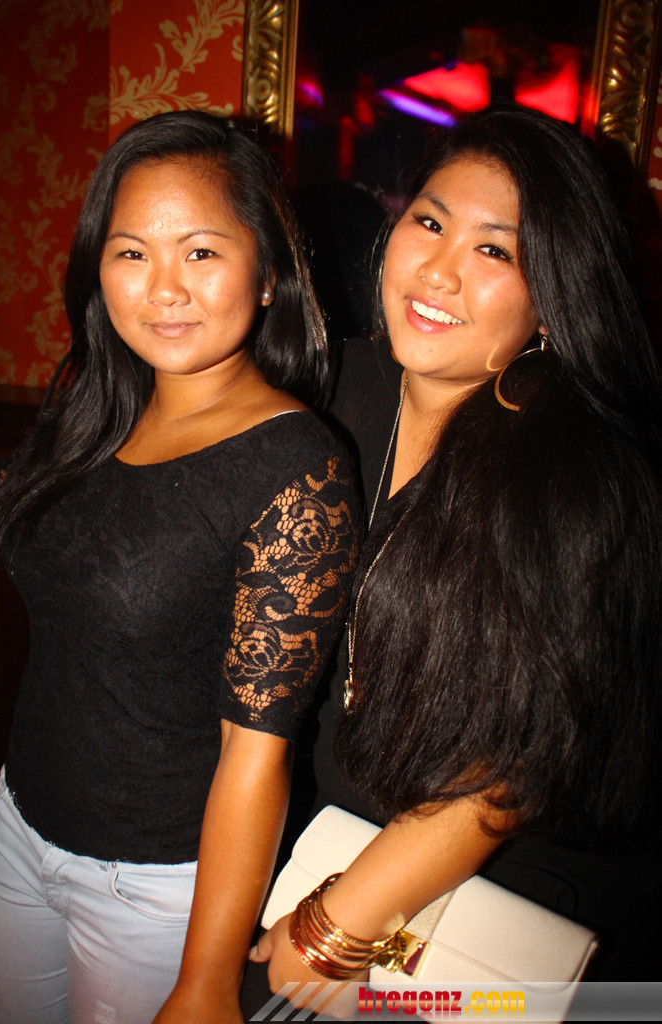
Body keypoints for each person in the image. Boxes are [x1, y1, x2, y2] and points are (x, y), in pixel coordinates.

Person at [251, 104, 662, 1004]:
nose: (438, 269)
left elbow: (507, 776)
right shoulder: (335, 388)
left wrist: (332, 929)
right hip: (333, 838)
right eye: (430, 222)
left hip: (507, 901)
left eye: (493, 251)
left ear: (552, 296)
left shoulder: (578, 471)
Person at [0, 110, 358, 1024]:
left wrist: (206, 980)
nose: (163, 289)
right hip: (17, 819)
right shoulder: (100, 409)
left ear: (267, 273)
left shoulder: (297, 469)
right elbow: (4, 513)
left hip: (150, 883)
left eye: (200, 252)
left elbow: (256, 752)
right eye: (131, 253)